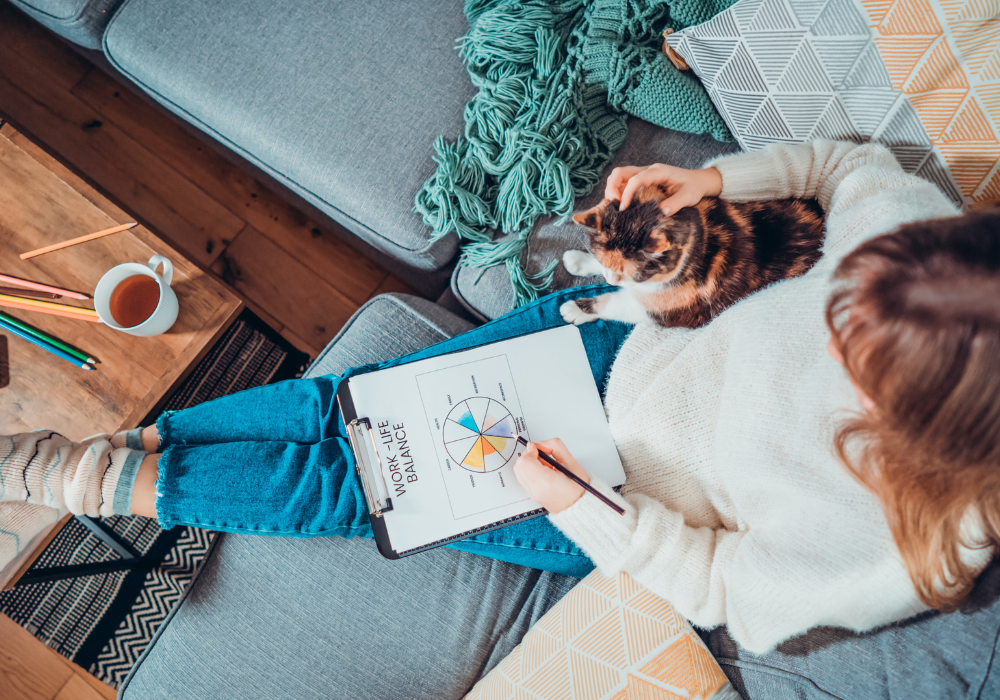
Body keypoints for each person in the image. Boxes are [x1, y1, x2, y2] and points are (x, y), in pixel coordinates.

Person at [2, 140, 997, 654]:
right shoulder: (917, 246)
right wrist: (704, 185)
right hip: (598, 331)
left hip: (596, 484)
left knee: (350, 490)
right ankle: (127, 446)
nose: (820, 314)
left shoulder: (907, 545)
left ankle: (81, 477)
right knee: (345, 405)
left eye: (844, 352)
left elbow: (723, 591)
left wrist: (588, 512)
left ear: (919, 426)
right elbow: (842, 166)